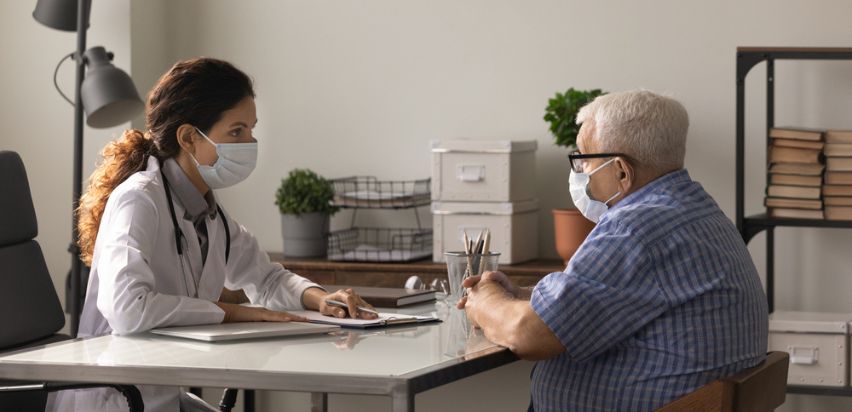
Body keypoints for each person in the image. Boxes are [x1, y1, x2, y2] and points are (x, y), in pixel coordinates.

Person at [53, 57, 376, 411]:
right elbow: (128, 310)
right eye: (236, 131)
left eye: (251, 129)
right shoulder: (139, 200)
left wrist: (321, 299)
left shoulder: (208, 211)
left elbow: (266, 279)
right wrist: (235, 312)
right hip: (114, 399)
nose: (250, 142)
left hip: (162, 393)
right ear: (190, 138)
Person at [458, 90, 768, 411]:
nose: (580, 173)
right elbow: (625, 296)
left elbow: (528, 335)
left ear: (621, 170)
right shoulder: (695, 210)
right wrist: (522, 296)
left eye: (585, 159)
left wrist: (486, 300)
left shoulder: (637, 226)